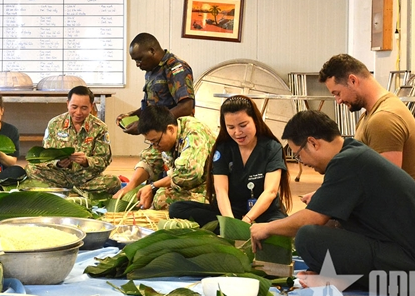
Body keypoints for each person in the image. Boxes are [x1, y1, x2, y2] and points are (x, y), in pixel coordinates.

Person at [251, 110, 415, 296]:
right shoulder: (353, 152)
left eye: (298, 155)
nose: (301, 162)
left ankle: (339, 279)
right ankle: (338, 277)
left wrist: (267, 228)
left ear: (312, 143)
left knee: (308, 237)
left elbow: (310, 220)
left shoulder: (347, 163)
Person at [169, 95, 291, 226]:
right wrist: (231, 223)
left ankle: (252, 230)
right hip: (231, 211)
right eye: (231, 127)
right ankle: (235, 229)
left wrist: (247, 220)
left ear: (255, 120)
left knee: (279, 228)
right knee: (177, 209)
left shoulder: (272, 147)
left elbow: (270, 192)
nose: (238, 132)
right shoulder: (223, 149)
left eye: (243, 125)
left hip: (264, 212)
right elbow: (221, 191)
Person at [317, 53, 415, 186]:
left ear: (353, 81)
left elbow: (384, 184)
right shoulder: (369, 115)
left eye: (337, 93)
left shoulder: (384, 119)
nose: (338, 101)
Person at [27, 86, 120, 194]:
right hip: (59, 175)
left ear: (91, 106)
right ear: (67, 104)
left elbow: (104, 160)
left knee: (113, 182)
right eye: (74, 107)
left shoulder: (99, 128)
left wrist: (86, 161)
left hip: (85, 178)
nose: (78, 112)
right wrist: (57, 163)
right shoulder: (55, 124)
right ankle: (76, 191)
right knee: (31, 169)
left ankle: (62, 190)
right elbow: (45, 157)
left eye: (84, 108)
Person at [118, 105, 215, 209]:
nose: (155, 146)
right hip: (189, 187)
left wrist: (153, 187)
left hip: (211, 189)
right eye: (151, 142)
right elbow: (150, 161)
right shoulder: (165, 134)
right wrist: (129, 187)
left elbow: (188, 173)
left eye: (156, 141)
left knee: (162, 199)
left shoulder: (194, 133)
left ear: (170, 129)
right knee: (142, 194)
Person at [116, 32, 195, 136]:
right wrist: (132, 115)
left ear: (152, 51)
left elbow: (186, 107)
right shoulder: (151, 70)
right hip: (159, 134)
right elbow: (151, 106)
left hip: (178, 134)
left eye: (140, 59)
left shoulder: (175, 68)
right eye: (135, 60)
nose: (137, 64)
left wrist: (148, 124)